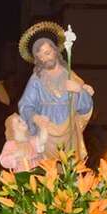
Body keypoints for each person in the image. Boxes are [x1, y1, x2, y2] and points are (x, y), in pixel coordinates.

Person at [18, 25, 94, 159]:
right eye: (40, 57)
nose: (45, 59)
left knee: (70, 168)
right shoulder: (36, 79)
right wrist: (35, 117)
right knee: (48, 169)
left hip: (70, 134)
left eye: (47, 53)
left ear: (55, 50)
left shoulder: (70, 75)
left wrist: (79, 90)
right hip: (46, 136)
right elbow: (25, 105)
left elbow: (85, 108)